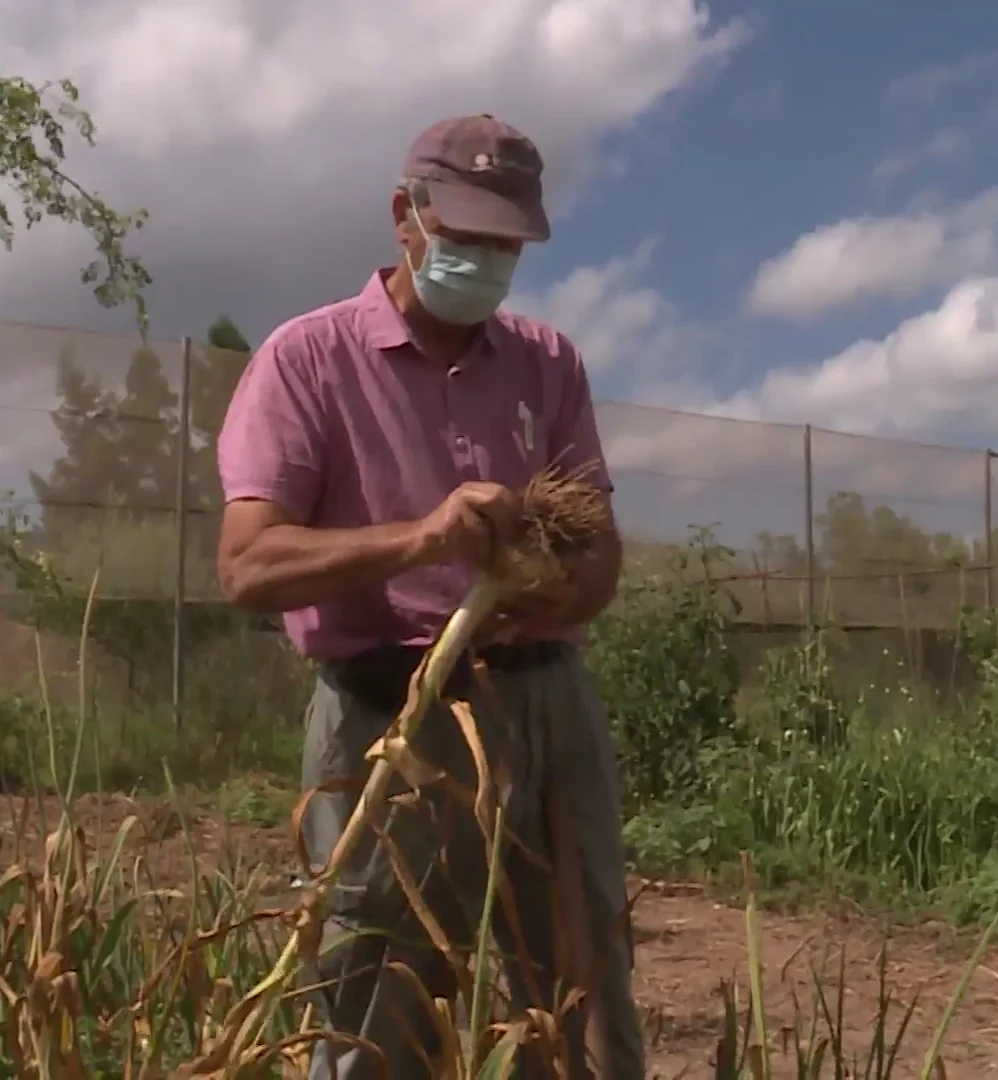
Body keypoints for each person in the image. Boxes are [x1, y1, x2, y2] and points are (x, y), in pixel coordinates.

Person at [214, 114, 645, 1080]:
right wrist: (420, 538)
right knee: (380, 999)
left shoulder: (549, 363)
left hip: (545, 703)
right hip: (393, 717)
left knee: (582, 983)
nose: (487, 258)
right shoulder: (305, 360)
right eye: (466, 235)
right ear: (405, 217)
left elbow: (604, 552)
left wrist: (567, 583)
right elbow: (247, 566)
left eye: (506, 243)